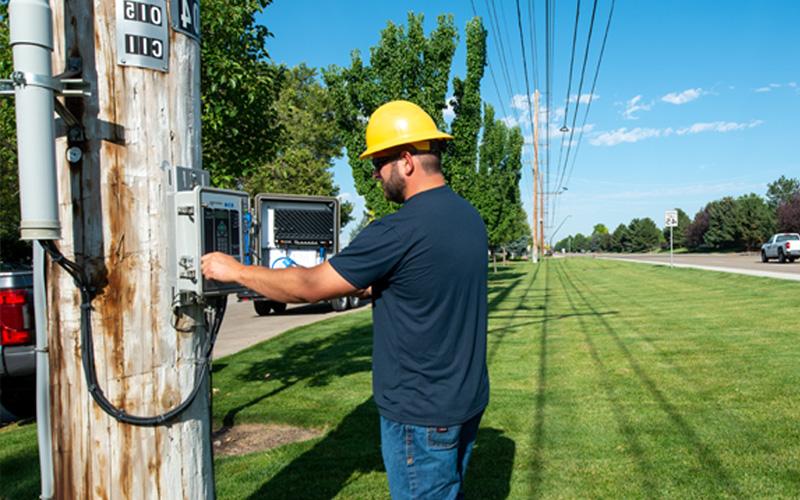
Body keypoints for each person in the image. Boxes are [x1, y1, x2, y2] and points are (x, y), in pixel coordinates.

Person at [201, 100, 489, 499]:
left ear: (406, 161)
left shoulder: (397, 230)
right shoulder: (468, 217)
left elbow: (307, 285)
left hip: (420, 414)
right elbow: (431, 281)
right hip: (465, 399)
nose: (374, 175)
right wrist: (376, 284)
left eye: (379, 163)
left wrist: (236, 271)